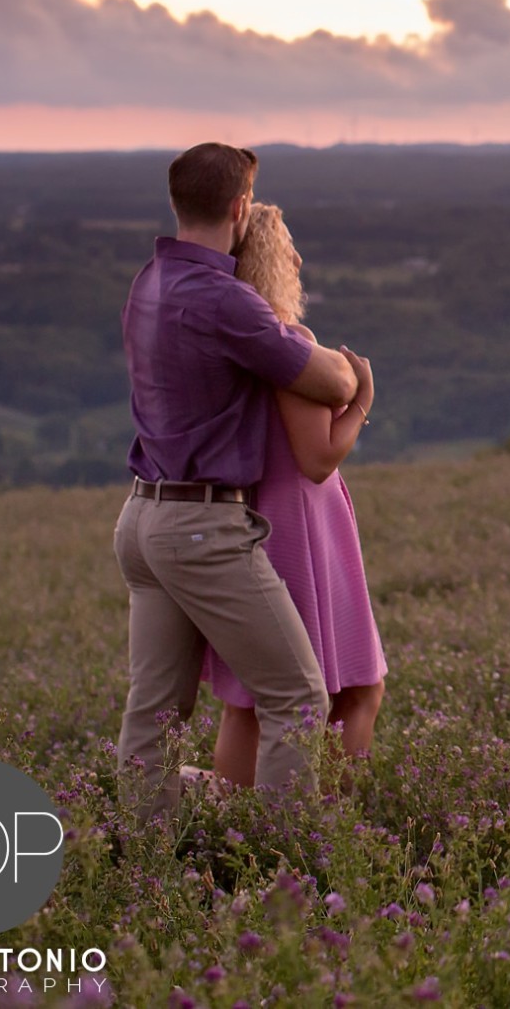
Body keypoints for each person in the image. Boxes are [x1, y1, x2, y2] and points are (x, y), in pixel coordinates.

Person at [114, 143, 364, 816]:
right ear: (239, 205)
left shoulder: (149, 281)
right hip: (201, 526)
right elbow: (332, 378)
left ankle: (147, 853)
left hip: (141, 518)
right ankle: (284, 852)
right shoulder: (225, 299)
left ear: (178, 201)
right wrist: (355, 381)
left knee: (156, 711)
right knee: (298, 696)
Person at [202, 202, 387, 785]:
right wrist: (361, 403)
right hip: (304, 525)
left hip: (257, 517)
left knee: (251, 699)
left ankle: (231, 826)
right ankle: (329, 823)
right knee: (358, 688)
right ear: (265, 259)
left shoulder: (229, 346)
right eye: (287, 248)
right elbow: (316, 458)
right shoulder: (289, 343)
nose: (299, 259)